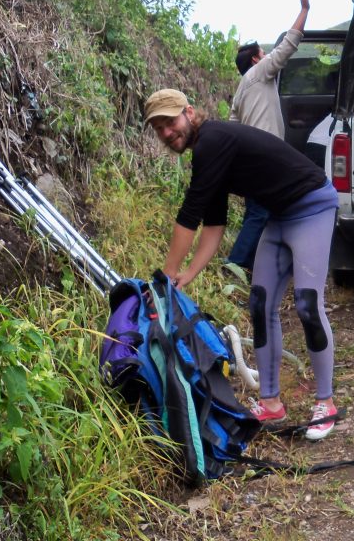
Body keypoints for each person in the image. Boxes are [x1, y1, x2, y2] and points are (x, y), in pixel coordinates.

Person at [144, 87, 341, 440]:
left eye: (170, 122)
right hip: (280, 216)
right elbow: (213, 223)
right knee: (260, 303)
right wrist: (187, 275)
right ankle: (271, 403)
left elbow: (189, 214)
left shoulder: (212, 140)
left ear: (189, 113)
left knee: (307, 304)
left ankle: (326, 403)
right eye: (159, 128)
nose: (167, 132)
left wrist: (168, 273)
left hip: (312, 206)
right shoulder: (209, 152)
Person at [223, 0, 311, 279]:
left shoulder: (241, 91)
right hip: (264, 160)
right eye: (263, 53)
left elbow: (232, 128)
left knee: (264, 212)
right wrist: (304, 9)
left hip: (251, 162)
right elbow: (290, 43)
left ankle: (253, 267)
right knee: (260, 213)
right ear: (255, 60)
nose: (267, 56)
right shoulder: (260, 73)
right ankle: (234, 266)